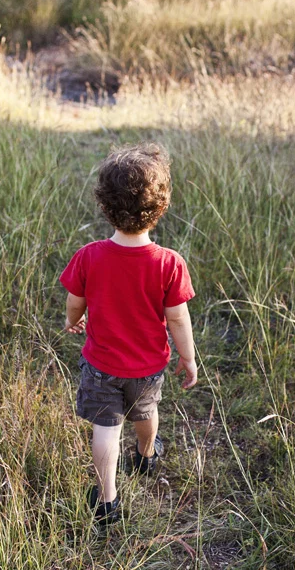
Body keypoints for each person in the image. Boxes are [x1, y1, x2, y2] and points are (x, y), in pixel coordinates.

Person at [59, 142, 198, 526]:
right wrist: (187, 359)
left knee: (106, 430)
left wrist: (74, 321)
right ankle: (146, 453)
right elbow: (179, 320)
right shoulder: (169, 263)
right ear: (160, 207)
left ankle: (106, 500)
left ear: (105, 204)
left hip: (102, 364)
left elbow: (75, 301)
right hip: (148, 366)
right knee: (146, 412)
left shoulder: (89, 255)